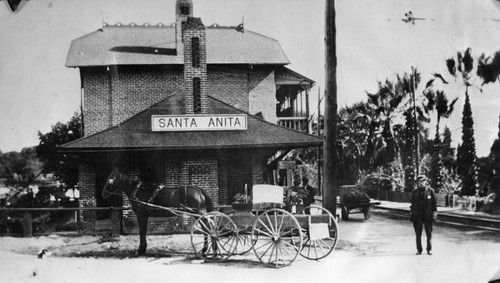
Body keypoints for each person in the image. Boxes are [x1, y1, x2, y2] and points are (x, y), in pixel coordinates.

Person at [410, 176, 438, 255]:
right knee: (418, 234)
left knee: (429, 234)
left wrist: (434, 214)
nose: (421, 183)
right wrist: (412, 214)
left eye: (422, 181)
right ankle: (419, 250)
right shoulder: (414, 191)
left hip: (427, 216)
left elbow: (434, 204)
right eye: (419, 181)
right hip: (418, 215)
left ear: (426, 182)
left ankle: (429, 249)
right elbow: (412, 204)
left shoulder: (430, 191)